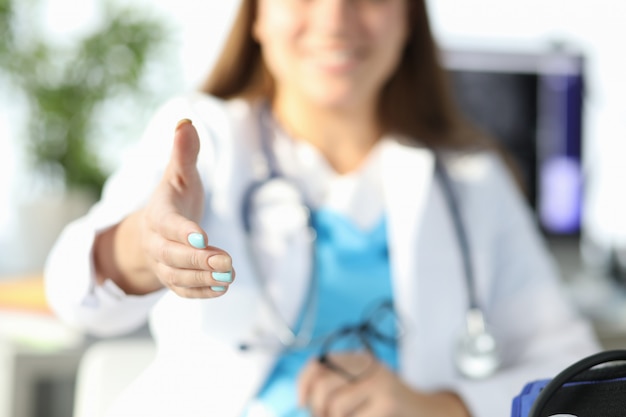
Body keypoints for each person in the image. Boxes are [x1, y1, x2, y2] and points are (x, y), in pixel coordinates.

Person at [44, 0, 601, 416]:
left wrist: (445, 407)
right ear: (257, 16)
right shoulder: (202, 135)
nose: (336, 19)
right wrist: (145, 246)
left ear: (409, 17)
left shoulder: (472, 179)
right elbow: (73, 293)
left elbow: (577, 377)